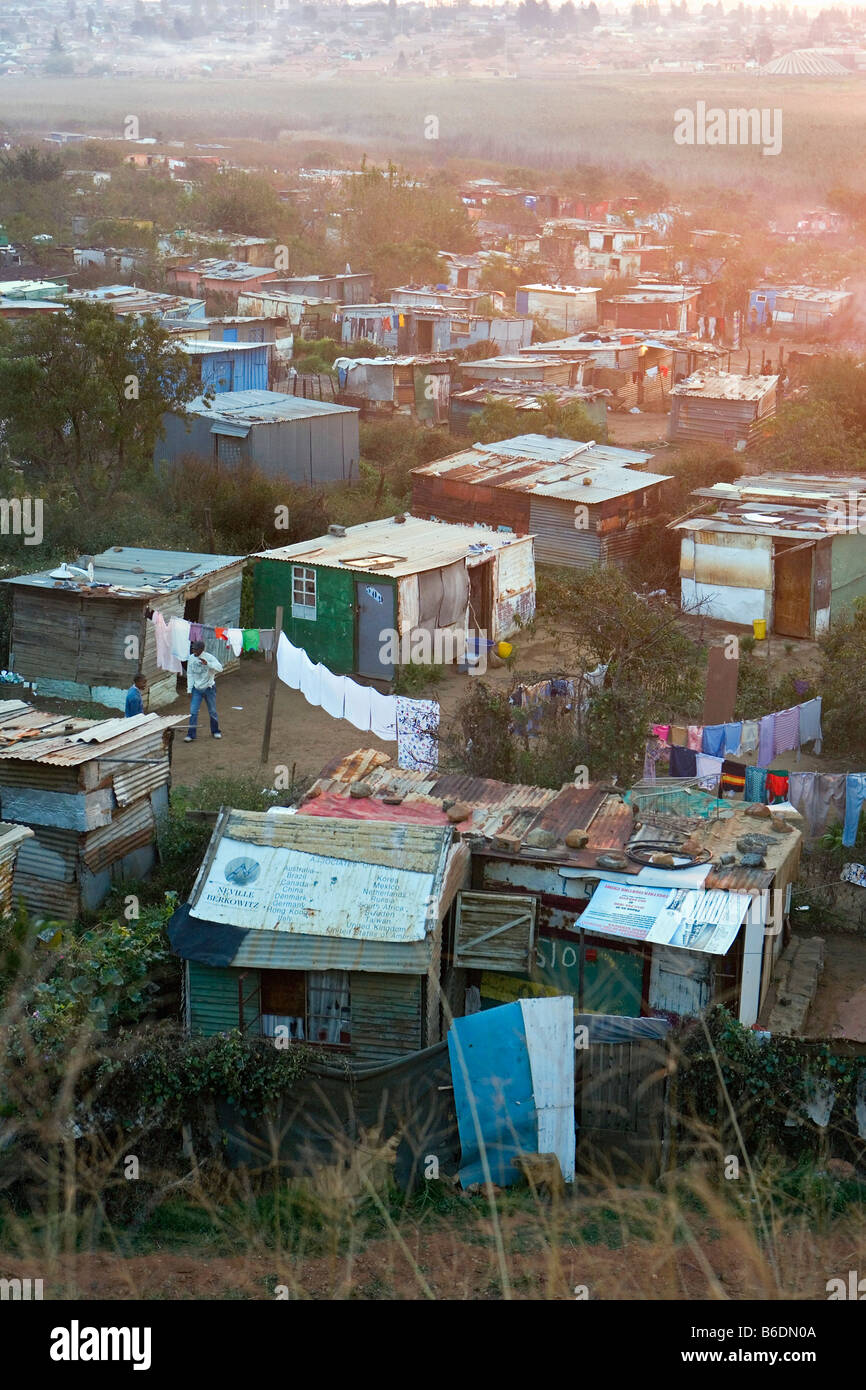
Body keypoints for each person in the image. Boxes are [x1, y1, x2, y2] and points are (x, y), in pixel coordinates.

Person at [184, 640, 223, 742]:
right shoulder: (191, 658)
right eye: (193, 649)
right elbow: (190, 674)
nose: (194, 651)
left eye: (196, 649)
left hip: (209, 688)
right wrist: (189, 689)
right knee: (193, 712)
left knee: (212, 711)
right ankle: (191, 734)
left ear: (201, 650)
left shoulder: (209, 657)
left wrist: (208, 664)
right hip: (197, 689)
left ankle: (216, 731)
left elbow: (220, 668)